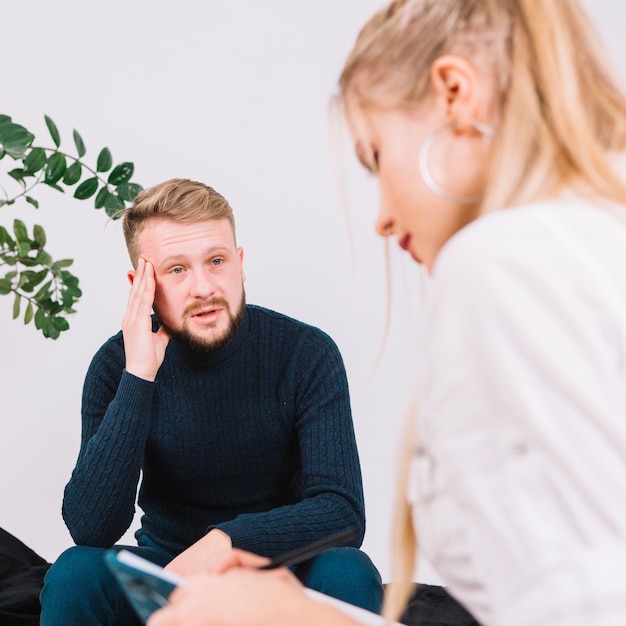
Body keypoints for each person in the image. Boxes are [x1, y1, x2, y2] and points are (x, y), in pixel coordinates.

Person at [145, 0, 626, 625]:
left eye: (376, 159)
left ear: (456, 94)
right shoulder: (588, 242)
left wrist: (295, 617)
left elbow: (582, 602)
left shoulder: (498, 262)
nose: (380, 217)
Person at [39, 178, 384, 625]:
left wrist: (228, 540)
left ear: (240, 264)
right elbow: (91, 528)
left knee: (348, 571)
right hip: (168, 573)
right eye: (177, 270)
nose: (203, 287)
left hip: (277, 572)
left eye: (216, 261)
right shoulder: (116, 366)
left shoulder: (306, 353)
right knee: (74, 573)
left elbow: (342, 512)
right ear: (140, 284)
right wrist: (139, 375)